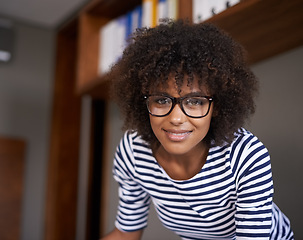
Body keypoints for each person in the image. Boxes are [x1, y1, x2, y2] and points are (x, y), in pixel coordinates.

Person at [101, 19, 294, 240]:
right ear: (143, 101)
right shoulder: (133, 152)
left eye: (195, 101)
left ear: (217, 107)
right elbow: (127, 233)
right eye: (162, 100)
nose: (175, 118)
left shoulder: (246, 156)